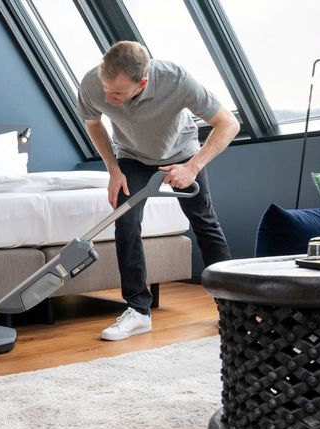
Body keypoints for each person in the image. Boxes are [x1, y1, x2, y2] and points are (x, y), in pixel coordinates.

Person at [76, 40, 240, 341]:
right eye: (106, 89)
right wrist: (113, 169)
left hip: (181, 153)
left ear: (142, 83)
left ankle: (232, 311)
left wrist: (192, 167)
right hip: (132, 157)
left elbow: (228, 124)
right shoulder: (91, 83)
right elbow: (93, 122)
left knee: (204, 223)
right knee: (125, 223)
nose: (109, 98)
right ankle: (138, 311)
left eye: (118, 94)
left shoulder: (176, 79)